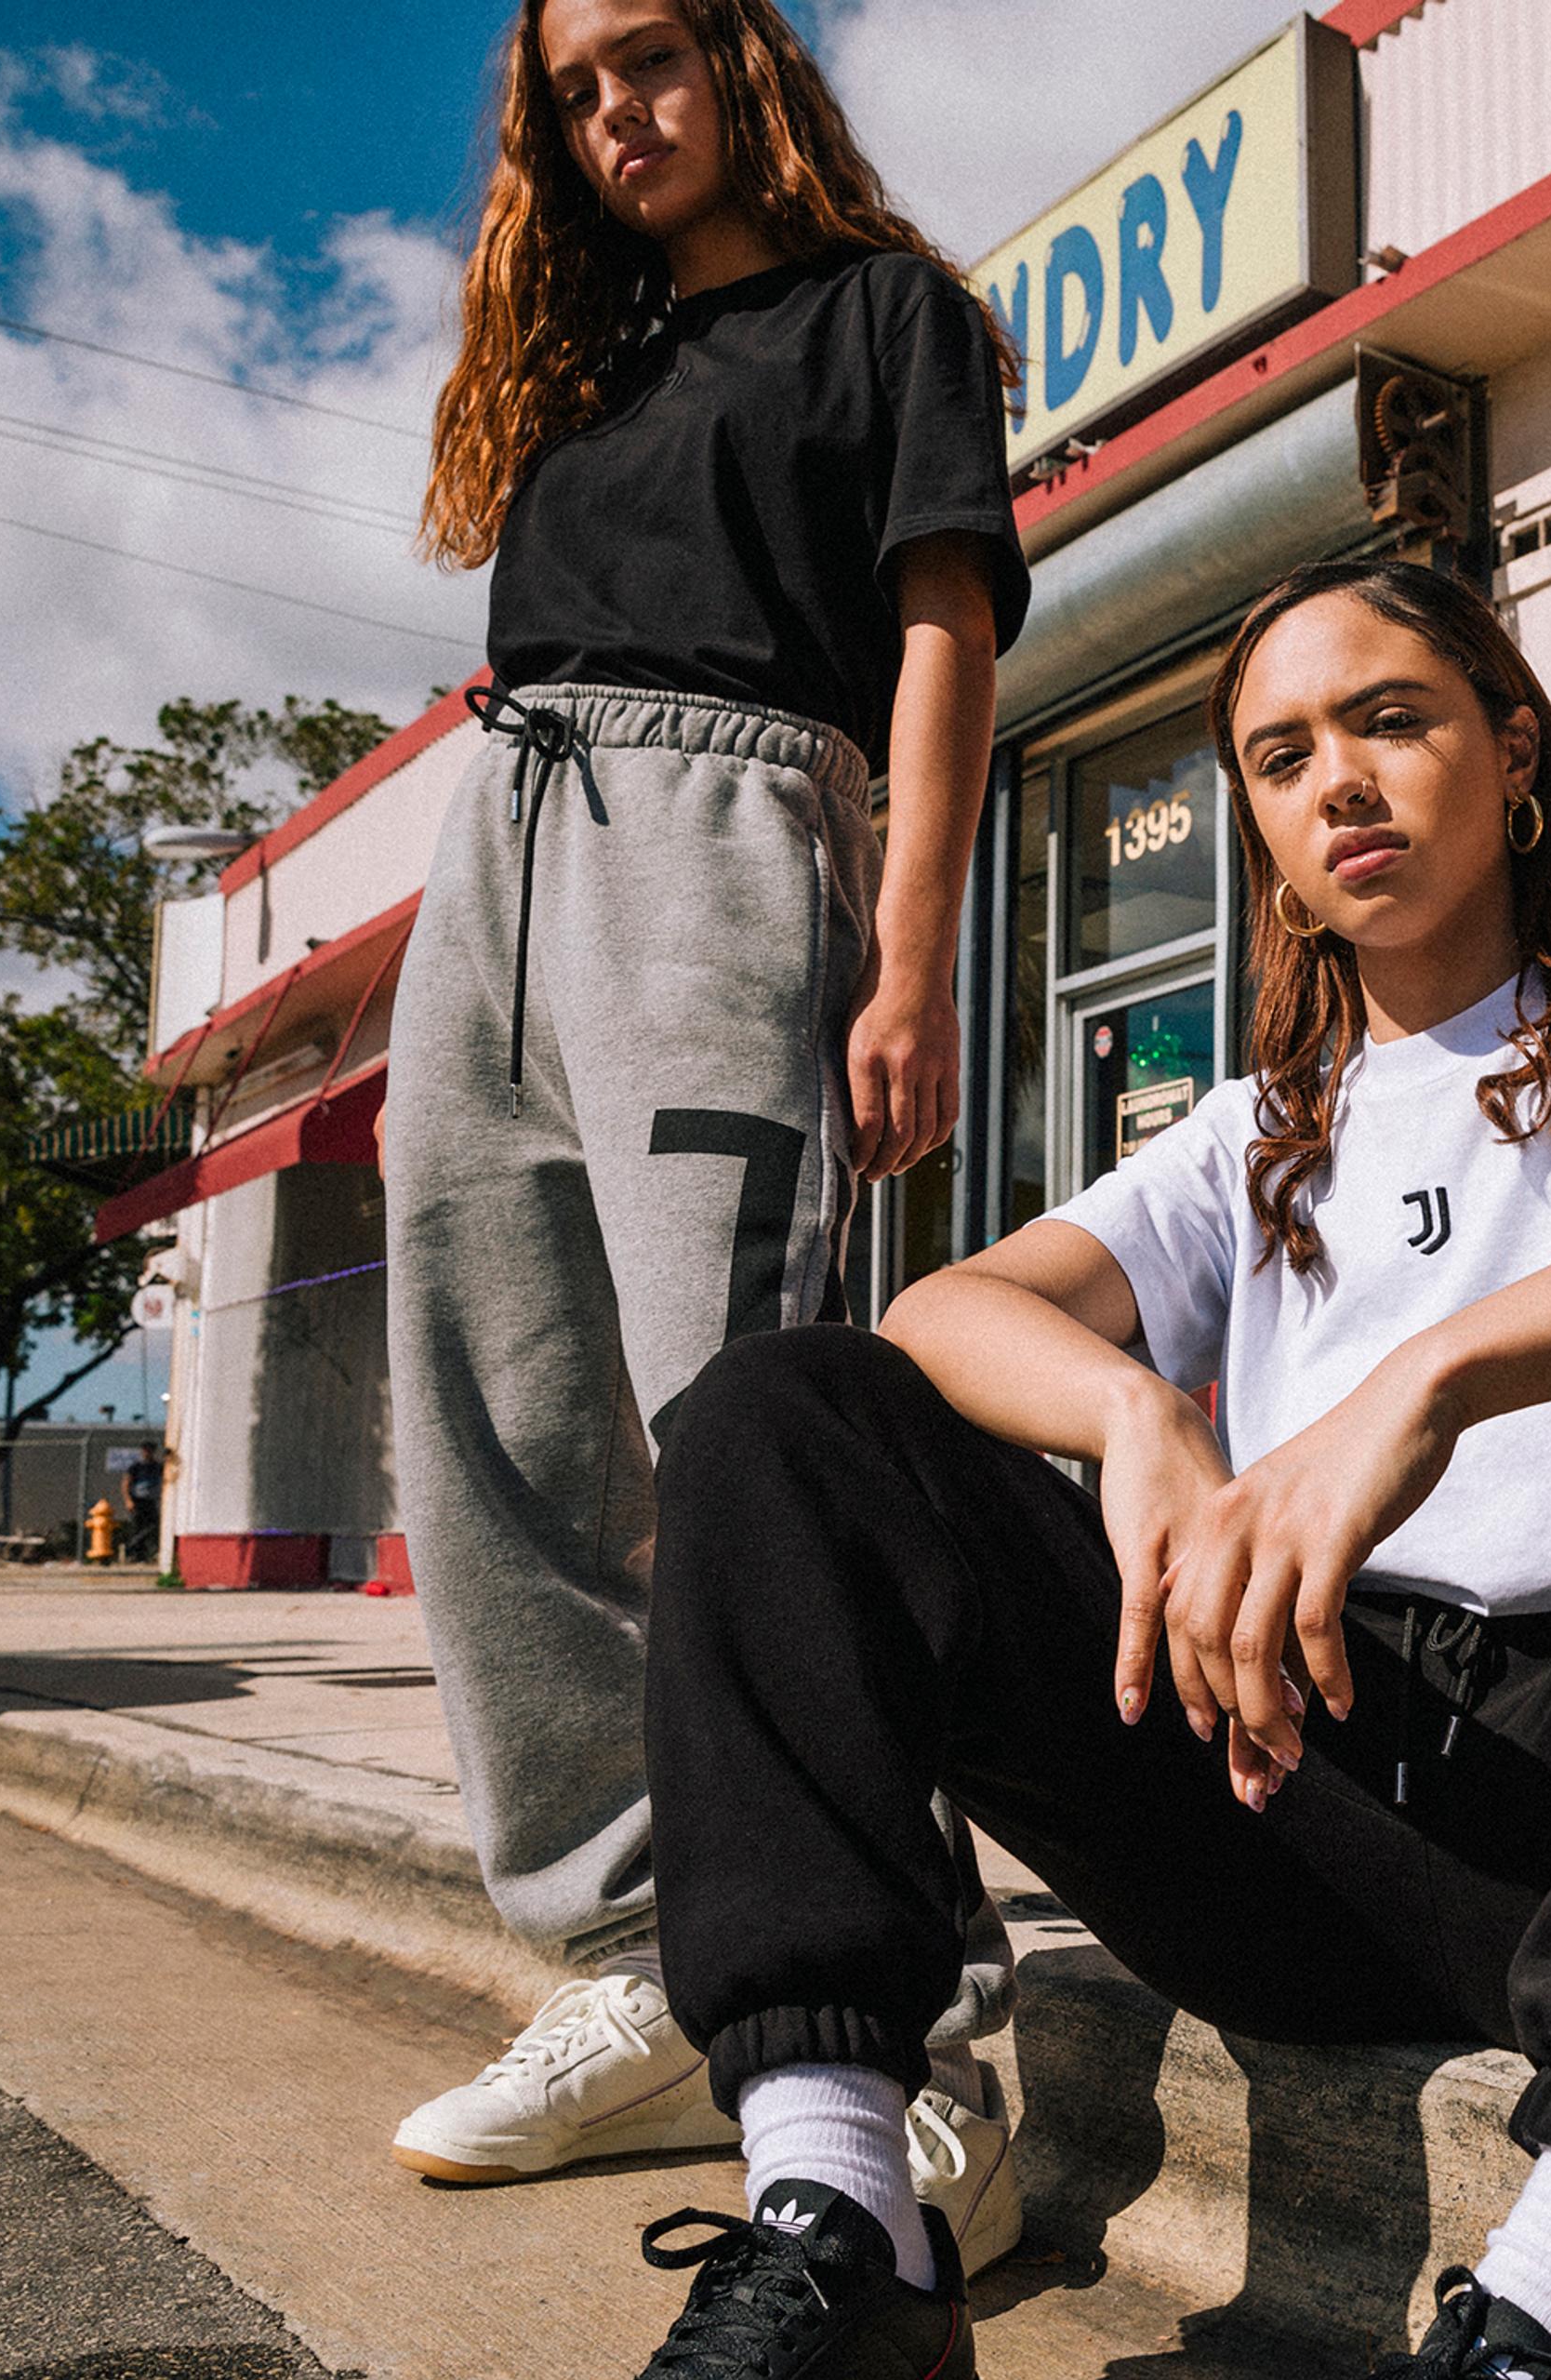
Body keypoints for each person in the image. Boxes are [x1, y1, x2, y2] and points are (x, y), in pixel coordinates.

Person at [623, 561, 1551, 2380]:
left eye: (1391, 719)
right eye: (1281, 757)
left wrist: (1436, 1374)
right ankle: (842, 2228)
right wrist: (1140, 1420)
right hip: (1300, 1797)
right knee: (784, 1414)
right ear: (1262, 831)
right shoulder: (1264, 1131)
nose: (1338, 780)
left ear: (1514, 754)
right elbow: (953, 1311)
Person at [379, 0, 1028, 2252]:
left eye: (647, 57)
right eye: (570, 88)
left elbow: (942, 624)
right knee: (500, 1440)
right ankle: (638, 1965)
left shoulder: (887, 319)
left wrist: (912, 954)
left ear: (744, 65)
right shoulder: (590, 361)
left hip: (733, 840)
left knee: (742, 1443)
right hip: (503, 838)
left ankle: (920, 2033)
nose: (613, 113)